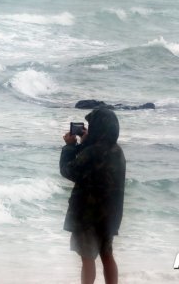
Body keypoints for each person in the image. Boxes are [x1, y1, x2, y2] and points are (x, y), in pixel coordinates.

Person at [60, 108, 126, 284]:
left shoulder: (93, 151)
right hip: (109, 214)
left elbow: (69, 171)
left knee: (87, 259)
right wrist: (86, 142)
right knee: (107, 255)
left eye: (92, 125)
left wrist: (69, 147)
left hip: (88, 215)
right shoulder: (117, 151)